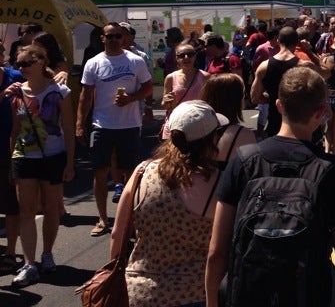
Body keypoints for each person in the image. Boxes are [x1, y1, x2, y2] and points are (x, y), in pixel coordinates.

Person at [206, 66, 335, 307]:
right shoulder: (330, 169)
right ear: (321, 113)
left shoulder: (245, 160)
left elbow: (217, 251)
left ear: (279, 106)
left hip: (249, 293)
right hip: (308, 294)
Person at [113, 100, 226, 306]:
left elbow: (117, 234)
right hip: (195, 293)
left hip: (139, 292)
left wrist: (115, 280)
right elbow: (219, 252)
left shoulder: (142, 172)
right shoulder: (219, 183)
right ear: (211, 139)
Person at [5, 45, 74, 288]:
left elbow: (68, 129)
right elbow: (15, 129)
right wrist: (12, 162)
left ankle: (47, 254)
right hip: (23, 157)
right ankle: (29, 263)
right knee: (26, 211)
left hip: (53, 156)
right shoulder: (16, 92)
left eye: (25, 63)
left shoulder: (60, 91)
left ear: (40, 62)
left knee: (51, 208)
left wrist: (69, 162)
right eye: (18, 64)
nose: (20, 68)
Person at [77, 22, 153, 237]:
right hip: (102, 124)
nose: (113, 40)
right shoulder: (93, 63)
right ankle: (102, 219)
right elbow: (86, 95)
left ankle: (130, 217)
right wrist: (79, 124)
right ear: (102, 38)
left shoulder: (135, 61)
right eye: (109, 36)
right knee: (99, 172)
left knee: (130, 173)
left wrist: (132, 98)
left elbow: (148, 87)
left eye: (117, 36)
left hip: (129, 125)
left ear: (124, 38)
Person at [250, 25, 300, 138]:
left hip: (275, 118)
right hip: (299, 119)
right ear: (297, 42)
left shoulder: (264, 66)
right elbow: (326, 73)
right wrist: (309, 51)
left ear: (278, 41)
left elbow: (254, 98)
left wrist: (273, 98)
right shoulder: (304, 65)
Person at [198, 74, 256, 169]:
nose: (245, 97)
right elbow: (253, 170)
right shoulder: (243, 135)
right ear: (235, 100)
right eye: (243, 93)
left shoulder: (196, 128)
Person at [0, 56, 23, 275]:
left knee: (10, 203)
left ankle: (10, 253)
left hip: (9, 148)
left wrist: (60, 74)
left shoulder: (14, 76)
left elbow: (39, 85)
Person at [161, 42, 208, 140]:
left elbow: (211, 102)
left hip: (197, 125)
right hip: (175, 125)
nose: (186, 57)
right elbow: (164, 104)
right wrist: (166, 101)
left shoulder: (205, 77)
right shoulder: (170, 78)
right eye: (182, 55)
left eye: (190, 54)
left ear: (195, 56)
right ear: (177, 59)